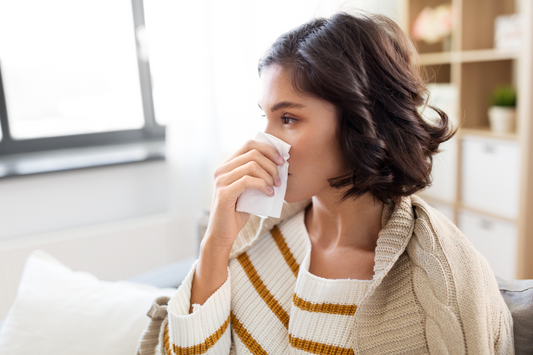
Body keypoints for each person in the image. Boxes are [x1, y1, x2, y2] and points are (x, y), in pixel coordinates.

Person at [137, 11, 514, 355]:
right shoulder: (252, 232)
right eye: (266, 118)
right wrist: (215, 245)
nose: (262, 145)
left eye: (288, 119)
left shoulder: (440, 283)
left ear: (360, 121)